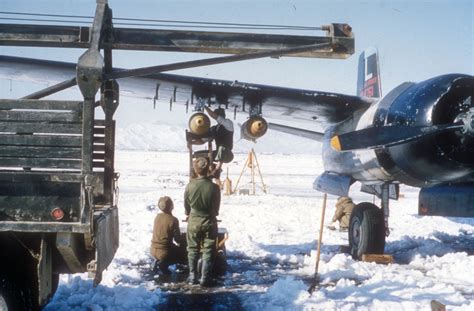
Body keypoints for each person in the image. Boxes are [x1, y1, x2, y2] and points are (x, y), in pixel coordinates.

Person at [184, 157, 221, 286]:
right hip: (209, 221)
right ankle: (205, 278)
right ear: (208, 169)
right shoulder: (215, 187)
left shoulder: (190, 186)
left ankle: (192, 276)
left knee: (192, 249)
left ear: (196, 169)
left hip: (193, 221)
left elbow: (187, 207)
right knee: (208, 250)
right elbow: (216, 209)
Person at [150, 196, 185, 274]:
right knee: (183, 253)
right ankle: (163, 264)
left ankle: (159, 262)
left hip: (153, 249)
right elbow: (177, 239)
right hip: (164, 252)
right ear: (171, 206)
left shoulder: (157, 217)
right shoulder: (173, 220)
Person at [204, 106, 234, 175]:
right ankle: (205, 173)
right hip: (217, 153)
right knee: (199, 154)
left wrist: (205, 107)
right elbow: (203, 140)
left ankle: (217, 169)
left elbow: (213, 115)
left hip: (227, 154)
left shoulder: (228, 123)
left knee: (221, 148)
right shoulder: (214, 129)